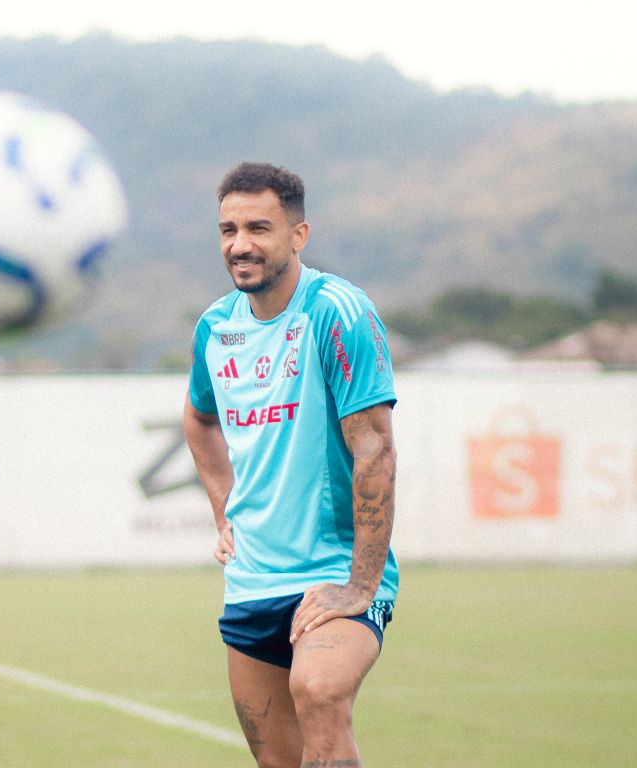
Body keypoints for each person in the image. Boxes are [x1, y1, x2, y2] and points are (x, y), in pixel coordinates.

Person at [182, 162, 398, 768]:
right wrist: (224, 511)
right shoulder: (215, 327)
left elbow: (375, 448)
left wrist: (361, 582)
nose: (240, 244)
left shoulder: (337, 312)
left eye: (259, 227)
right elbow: (199, 419)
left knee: (319, 691)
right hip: (252, 579)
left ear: (298, 236)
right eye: (228, 229)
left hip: (332, 568)